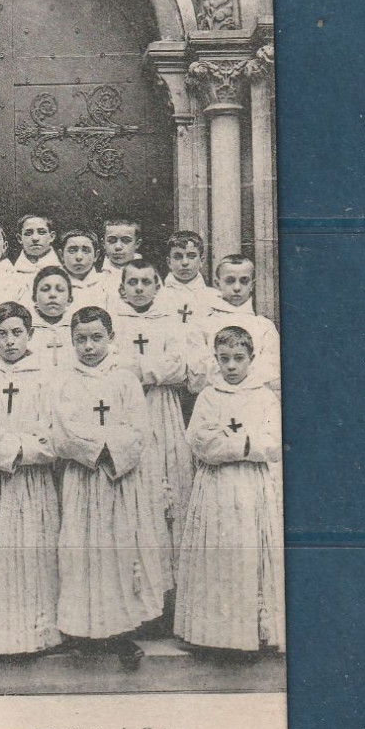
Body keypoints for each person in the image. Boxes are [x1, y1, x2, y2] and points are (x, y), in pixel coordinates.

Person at [51, 306, 164, 669]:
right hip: (82, 480)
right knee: (81, 552)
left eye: (97, 338)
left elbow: (139, 429)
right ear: (71, 341)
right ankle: (82, 633)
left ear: (112, 339)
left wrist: (108, 450)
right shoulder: (64, 381)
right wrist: (94, 449)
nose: (88, 346)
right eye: (80, 339)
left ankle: (120, 633)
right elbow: (62, 429)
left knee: (118, 552)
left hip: (117, 482)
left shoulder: (125, 380)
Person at [175, 325, 284, 655]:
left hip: (251, 487)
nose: (231, 366)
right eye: (224, 359)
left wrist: (238, 444)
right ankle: (215, 634)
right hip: (216, 490)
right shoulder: (209, 395)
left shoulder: (265, 396)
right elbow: (199, 440)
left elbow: (274, 441)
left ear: (252, 358)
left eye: (239, 358)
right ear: (216, 360)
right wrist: (238, 444)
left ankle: (253, 631)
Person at [0, 302, 61, 656]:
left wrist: (25, 452)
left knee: (34, 550)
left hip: (34, 484)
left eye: (17, 333)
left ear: (30, 335)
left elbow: (54, 429)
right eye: (1, 334)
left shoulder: (47, 376)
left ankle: (39, 635)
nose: (9, 341)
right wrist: (17, 451)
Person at [112, 260, 192, 604]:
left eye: (147, 282)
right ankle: (137, 594)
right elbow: (109, 362)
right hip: (125, 411)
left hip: (162, 409)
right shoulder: (113, 322)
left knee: (168, 491)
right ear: (122, 288)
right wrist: (145, 371)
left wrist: (140, 371)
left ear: (158, 287)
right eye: (133, 282)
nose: (140, 288)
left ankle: (170, 593)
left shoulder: (170, 322)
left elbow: (181, 365)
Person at [187, 255, 281, 394]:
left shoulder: (264, 327)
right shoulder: (201, 326)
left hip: (253, 403)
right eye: (230, 281)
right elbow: (198, 377)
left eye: (244, 281)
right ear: (218, 283)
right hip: (215, 403)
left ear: (252, 285)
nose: (237, 288)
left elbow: (271, 374)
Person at [160, 230, 218, 324]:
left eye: (191, 256)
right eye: (178, 257)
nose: (185, 262)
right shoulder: (159, 297)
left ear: (201, 261)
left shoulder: (213, 297)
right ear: (169, 262)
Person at [29, 265, 75, 372]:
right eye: (45, 289)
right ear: (34, 297)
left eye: (60, 290)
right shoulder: (26, 329)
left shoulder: (76, 327)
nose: (53, 295)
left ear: (69, 299)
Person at [94, 215, 143, 311]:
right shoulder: (95, 276)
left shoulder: (150, 276)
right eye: (112, 240)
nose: (118, 246)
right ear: (103, 243)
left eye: (125, 240)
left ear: (137, 243)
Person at [59, 228, 105, 313]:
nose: (79, 257)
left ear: (96, 255)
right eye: (72, 250)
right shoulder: (51, 283)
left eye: (86, 250)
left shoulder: (106, 283)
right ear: (61, 255)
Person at [13, 213, 57, 298]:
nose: (35, 238)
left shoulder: (64, 271)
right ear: (19, 238)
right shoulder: (10, 273)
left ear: (52, 236)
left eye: (41, 232)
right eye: (28, 233)